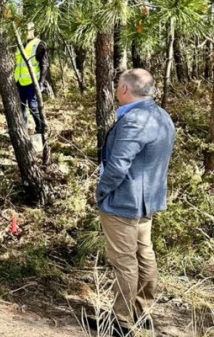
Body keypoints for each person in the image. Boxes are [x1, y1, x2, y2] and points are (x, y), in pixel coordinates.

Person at [95, 69, 175, 336]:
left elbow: (117, 167)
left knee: (124, 261)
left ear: (125, 89)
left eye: (119, 85)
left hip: (125, 201)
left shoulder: (134, 120)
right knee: (144, 254)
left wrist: (101, 191)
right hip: (147, 201)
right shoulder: (161, 115)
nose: (117, 89)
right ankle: (142, 312)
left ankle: (120, 321)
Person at [14, 23, 48, 135]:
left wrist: (41, 83)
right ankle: (22, 130)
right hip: (19, 82)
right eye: (23, 30)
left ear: (33, 30)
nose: (26, 32)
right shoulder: (21, 44)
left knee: (33, 107)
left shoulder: (39, 44)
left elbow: (44, 64)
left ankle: (40, 130)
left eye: (28, 30)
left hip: (32, 82)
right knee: (21, 107)